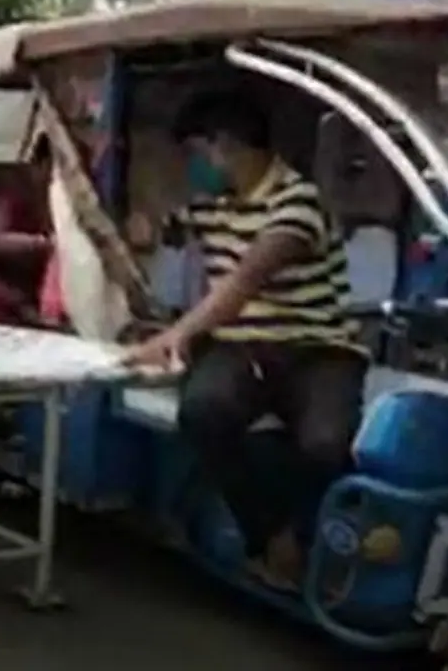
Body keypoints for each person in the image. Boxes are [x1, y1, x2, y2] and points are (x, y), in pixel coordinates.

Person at [122, 89, 369, 590]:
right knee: (202, 411)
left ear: (225, 145)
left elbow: (242, 283)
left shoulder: (297, 201)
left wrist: (175, 336)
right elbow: (156, 234)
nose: (192, 167)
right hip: (241, 348)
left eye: (196, 153)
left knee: (325, 444)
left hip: (320, 349)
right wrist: (139, 229)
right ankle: (270, 541)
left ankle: (321, 545)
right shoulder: (207, 206)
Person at [0, 135, 54, 325]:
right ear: (38, 165)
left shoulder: (54, 201)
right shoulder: (14, 194)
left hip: (28, 299)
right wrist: (45, 244)